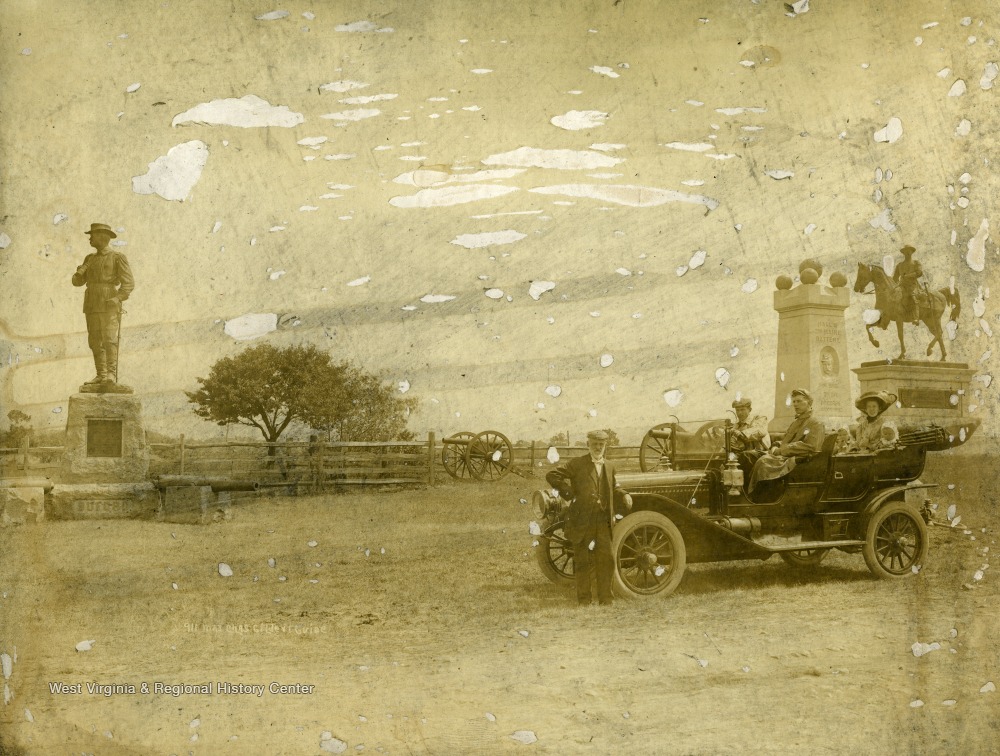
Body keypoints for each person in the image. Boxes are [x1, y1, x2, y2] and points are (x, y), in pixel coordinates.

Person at [546, 429, 629, 606]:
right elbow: (552, 475)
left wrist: (624, 494)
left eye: (601, 444)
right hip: (582, 520)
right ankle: (584, 600)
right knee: (582, 560)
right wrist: (568, 493)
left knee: (606, 559)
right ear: (588, 445)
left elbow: (614, 487)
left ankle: (606, 599)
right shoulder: (577, 464)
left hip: (602, 521)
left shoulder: (610, 466)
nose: (598, 447)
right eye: (594, 444)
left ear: (605, 445)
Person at [72, 223, 134, 386]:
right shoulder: (89, 259)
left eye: (92, 235)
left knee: (109, 339)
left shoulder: (117, 257)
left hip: (109, 302)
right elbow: (77, 283)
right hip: (92, 302)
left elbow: (128, 283)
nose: (90, 238)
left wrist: (118, 298)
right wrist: (79, 272)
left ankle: (111, 375)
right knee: (94, 340)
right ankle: (101, 374)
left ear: (102, 237)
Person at [749, 388, 825, 493]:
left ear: (809, 402)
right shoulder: (796, 422)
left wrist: (780, 450)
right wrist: (776, 445)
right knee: (750, 455)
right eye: (794, 401)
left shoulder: (815, 423)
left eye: (799, 401)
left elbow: (810, 446)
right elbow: (787, 440)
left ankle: (761, 496)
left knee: (763, 462)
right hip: (786, 454)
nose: (795, 404)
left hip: (799, 458)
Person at [893, 245, 923, 325]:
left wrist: (908, 275)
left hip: (913, 285)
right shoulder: (899, 265)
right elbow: (895, 278)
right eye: (905, 251)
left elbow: (919, 273)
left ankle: (916, 318)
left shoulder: (916, 263)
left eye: (909, 251)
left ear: (912, 252)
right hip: (902, 286)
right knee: (894, 294)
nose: (907, 253)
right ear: (903, 253)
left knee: (913, 297)